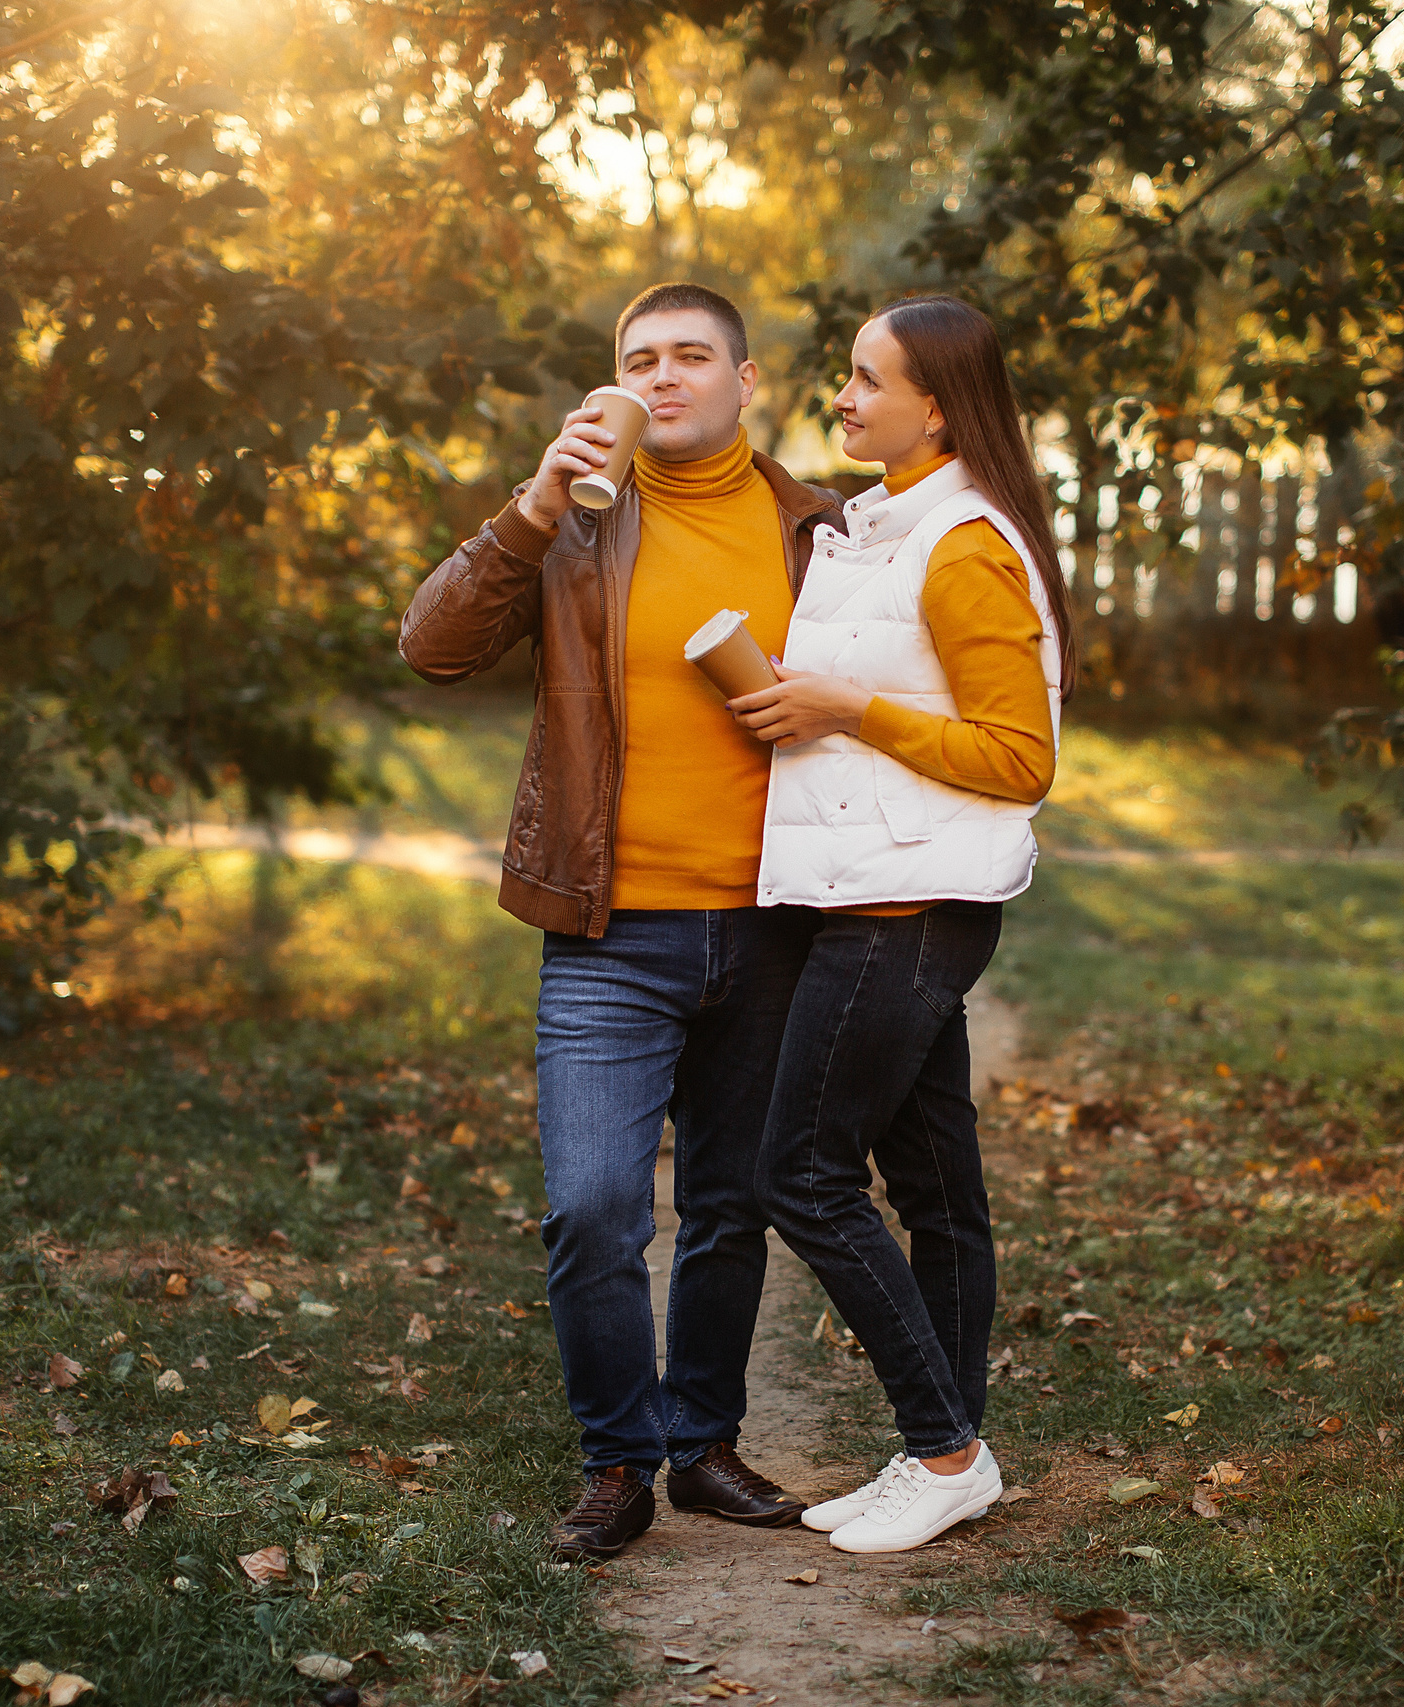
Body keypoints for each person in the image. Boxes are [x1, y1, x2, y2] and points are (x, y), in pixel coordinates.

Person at [399, 284, 845, 1561]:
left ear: (745, 381)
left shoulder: (821, 526)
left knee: (728, 1203)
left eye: (690, 356)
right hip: (608, 935)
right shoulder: (578, 521)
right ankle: (616, 1463)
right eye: (639, 359)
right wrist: (535, 504)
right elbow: (430, 647)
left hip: (774, 923)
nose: (663, 377)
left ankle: (700, 1447)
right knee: (594, 1206)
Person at [725, 295, 1073, 1554]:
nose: (845, 398)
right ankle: (944, 1454)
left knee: (801, 1177)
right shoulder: (880, 524)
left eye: (869, 382)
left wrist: (846, 706)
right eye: (846, 378)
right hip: (872, 894)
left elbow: (1019, 755)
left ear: (938, 404)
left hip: (907, 907)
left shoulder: (965, 544)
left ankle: (943, 1449)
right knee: (935, 1190)